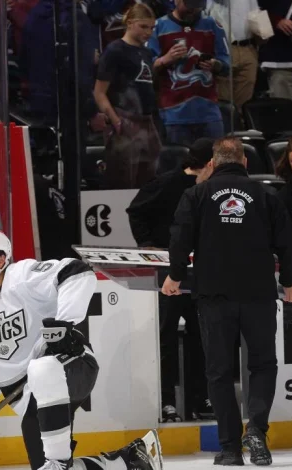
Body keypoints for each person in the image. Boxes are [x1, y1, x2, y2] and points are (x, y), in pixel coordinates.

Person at [0, 228, 163, 470]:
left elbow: (77, 271)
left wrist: (64, 324)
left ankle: (57, 461)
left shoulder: (22, 277)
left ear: (1, 259)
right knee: (44, 467)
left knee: (42, 368)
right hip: (31, 397)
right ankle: (128, 461)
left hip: (72, 365)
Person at [162, 137, 292, 466]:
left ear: (213, 163)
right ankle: (256, 430)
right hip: (258, 293)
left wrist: (175, 275)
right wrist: (289, 281)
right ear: (245, 162)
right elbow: (288, 242)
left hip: (214, 295)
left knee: (219, 371)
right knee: (263, 364)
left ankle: (230, 449)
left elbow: (179, 239)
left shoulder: (196, 194)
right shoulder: (265, 196)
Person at [126, 138, 218, 422]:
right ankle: (166, 400)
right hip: (168, 273)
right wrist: (147, 244)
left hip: (200, 272)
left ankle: (200, 398)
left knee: (201, 336)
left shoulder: (212, 188)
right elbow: (136, 211)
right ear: (209, 163)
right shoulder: (167, 184)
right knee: (165, 336)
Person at [93, 3, 161, 189]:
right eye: (143, 26)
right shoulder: (115, 50)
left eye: (151, 28)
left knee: (148, 180)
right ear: (130, 23)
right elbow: (99, 92)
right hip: (125, 118)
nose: (148, 32)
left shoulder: (146, 53)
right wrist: (115, 120)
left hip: (147, 120)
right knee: (123, 180)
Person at [149, 0, 231, 146]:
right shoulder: (158, 27)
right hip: (173, 114)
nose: (193, 10)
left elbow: (227, 66)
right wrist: (165, 59)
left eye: (197, 6)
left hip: (209, 113)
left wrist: (215, 65)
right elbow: (146, 69)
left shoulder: (212, 25)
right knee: (177, 160)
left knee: (215, 159)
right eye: (189, 5)